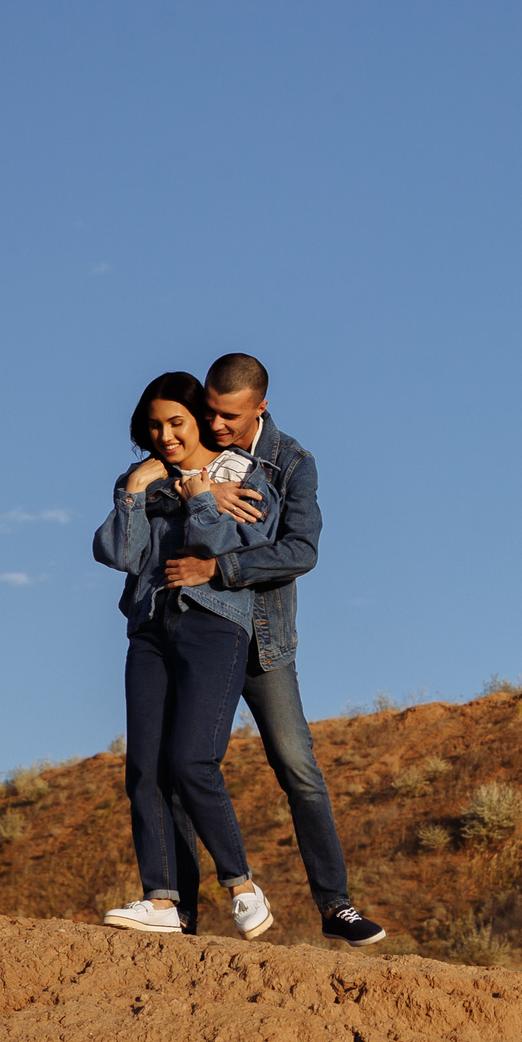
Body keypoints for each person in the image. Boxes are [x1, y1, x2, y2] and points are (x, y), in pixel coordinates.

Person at [170, 352, 389, 947]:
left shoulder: (292, 462)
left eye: (231, 417)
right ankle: (181, 912)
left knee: (298, 769)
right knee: (185, 765)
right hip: (200, 632)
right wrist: (195, 495)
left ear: (261, 407)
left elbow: (301, 551)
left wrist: (220, 567)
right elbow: (152, 495)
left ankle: (336, 905)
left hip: (263, 641)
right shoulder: (190, 444)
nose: (217, 425)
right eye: (211, 412)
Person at [91, 371, 280, 940]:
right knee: (145, 769)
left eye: (176, 422)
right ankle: (163, 901)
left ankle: (242, 886)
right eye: (153, 426)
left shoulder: (245, 476)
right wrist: (132, 492)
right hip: (150, 626)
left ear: (200, 419)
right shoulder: (145, 482)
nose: (165, 436)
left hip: (214, 625)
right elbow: (119, 554)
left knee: (192, 760)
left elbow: (229, 548)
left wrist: (198, 498)